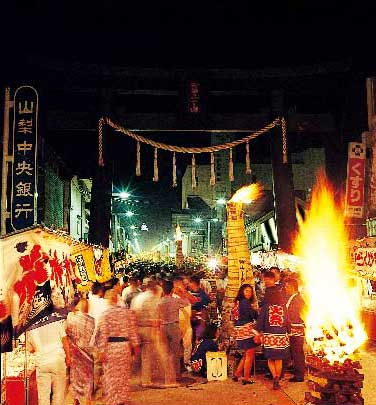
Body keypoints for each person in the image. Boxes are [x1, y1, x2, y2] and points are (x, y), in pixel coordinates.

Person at [94, 289, 140, 405]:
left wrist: (101, 351)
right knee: (124, 376)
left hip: (110, 348)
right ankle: (123, 399)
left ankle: (113, 401)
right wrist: (135, 347)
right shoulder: (127, 313)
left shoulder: (105, 315)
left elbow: (103, 334)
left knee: (111, 377)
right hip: (124, 347)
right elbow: (132, 332)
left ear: (109, 300)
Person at [255, 270, 290, 390]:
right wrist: (288, 331)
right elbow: (287, 320)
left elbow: (260, 321)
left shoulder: (266, 307)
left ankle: (274, 376)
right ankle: (277, 378)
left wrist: (258, 331)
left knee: (270, 358)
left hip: (269, 335)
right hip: (280, 334)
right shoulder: (283, 307)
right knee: (279, 358)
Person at [131, 277, 167, 387]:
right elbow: (156, 316)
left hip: (137, 328)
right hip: (148, 328)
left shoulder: (138, 297)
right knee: (147, 356)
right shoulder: (153, 299)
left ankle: (132, 376)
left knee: (137, 356)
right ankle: (146, 380)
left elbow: (133, 313)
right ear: (154, 288)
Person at [27, 320, 71, 405]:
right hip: (57, 360)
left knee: (43, 396)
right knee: (58, 394)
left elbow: (31, 349)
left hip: (42, 363)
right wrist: (68, 357)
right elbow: (64, 340)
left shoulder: (32, 326)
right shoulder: (55, 321)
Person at [158, 280, 189, 386]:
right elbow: (187, 302)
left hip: (162, 327)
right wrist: (181, 292)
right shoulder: (175, 301)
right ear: (172, 290)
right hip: (173, 327)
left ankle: (166, 375)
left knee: (165, 352)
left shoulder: (160, 301)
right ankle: (175, 375)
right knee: (174, 352)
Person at [66, 297, 95, 405]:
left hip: (75, 352)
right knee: (88, 377)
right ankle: (87, 400)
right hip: (88, 352)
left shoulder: (71, 318)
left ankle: (76, 399)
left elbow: (67, 333)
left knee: (76, 376)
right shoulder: (92, 320)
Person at [232, 284, 260, 385]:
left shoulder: (238, 302)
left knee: (246, 354)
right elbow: (251, 315)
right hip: (246, 330)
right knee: (250, 354)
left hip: (239, 330)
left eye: (250, 291)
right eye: (246, 291)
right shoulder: (244, 302)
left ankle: (237, 374)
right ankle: (246, 377)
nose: (249, 293)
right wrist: (257, 313)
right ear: (242, 292)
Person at [285, 277, 306, 382]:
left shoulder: (297, 299)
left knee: (297, 352)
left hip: (296, 328)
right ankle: (296, 370)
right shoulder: (292, 297)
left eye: (287, 286)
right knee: (294, 351)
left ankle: (299, 375)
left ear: (293, 287)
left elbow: (298, 314)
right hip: (292, 328)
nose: (285, 288)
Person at [188, 276, 211, 341]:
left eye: (190, 282)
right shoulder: (189, 293)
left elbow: (204, 308)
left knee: (197, 337)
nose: (188, 284)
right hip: (190, 319)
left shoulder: (203, 295)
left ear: (193, 283)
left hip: (199, 320)